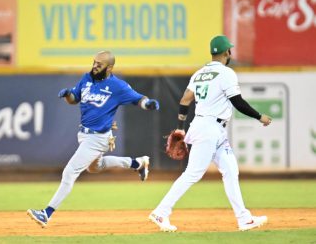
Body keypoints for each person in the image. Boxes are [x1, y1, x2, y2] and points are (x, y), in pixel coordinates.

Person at [149, 35, 272, 232]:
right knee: (192, 174)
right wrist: (259, 117)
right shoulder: (226, 73)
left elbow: (185, 99)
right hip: (209, 129)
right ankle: (161, 212)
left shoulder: (199, 74)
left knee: (231, 171)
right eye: (229, 50)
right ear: (227, 53)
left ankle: (244, 219)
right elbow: (238, 102)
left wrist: (181, 125)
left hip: (210, 128)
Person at [27, 50, 159, 228]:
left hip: (98, 138)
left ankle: (46, 213)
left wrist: (147, 104)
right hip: (84, 134)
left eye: (99, 64)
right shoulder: (86, 78)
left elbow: (138, 99)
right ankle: (138, 163)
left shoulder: (117, 86)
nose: (95, 66)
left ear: (110, 67)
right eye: (94, 62)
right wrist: (68, 94)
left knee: (70, 171)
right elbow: (75, 99)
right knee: (96, 167)